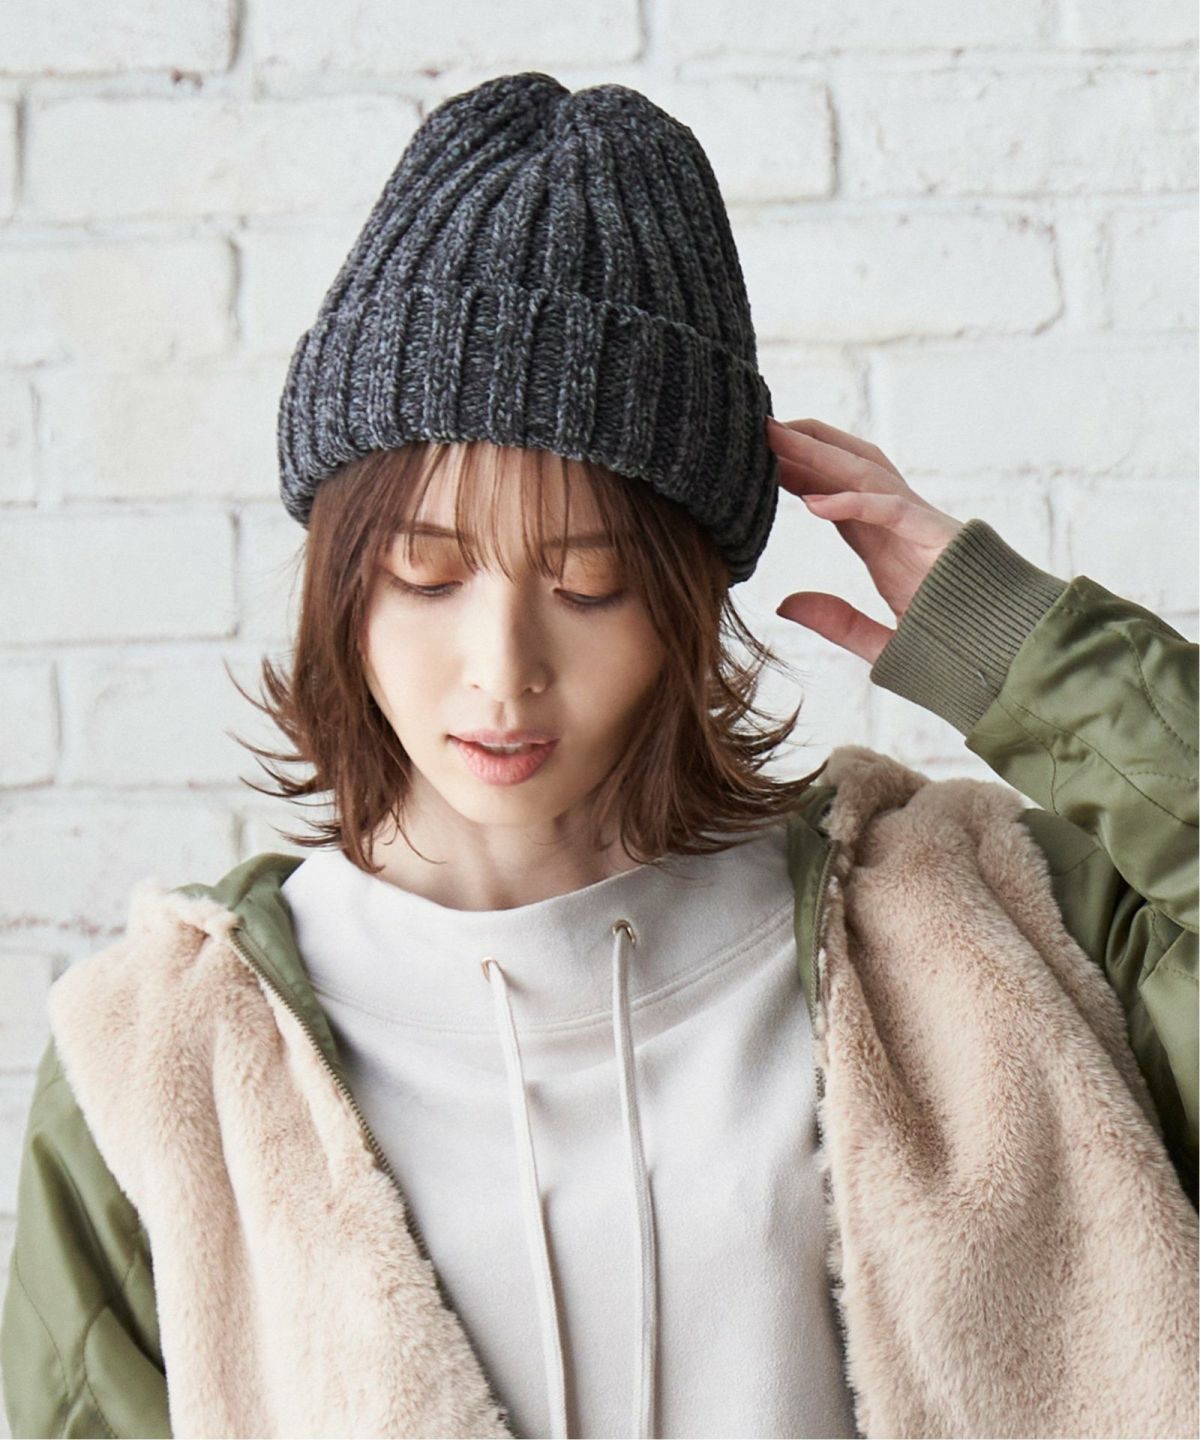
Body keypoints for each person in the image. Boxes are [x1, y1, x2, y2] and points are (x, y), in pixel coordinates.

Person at [1, 71, 1196, 1440]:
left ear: (683, 603)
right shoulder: (161, 1054)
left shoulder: (972, 928)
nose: (502, 666)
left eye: (588, 586)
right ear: (342, 580)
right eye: (426, 575)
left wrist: (1018, 645)